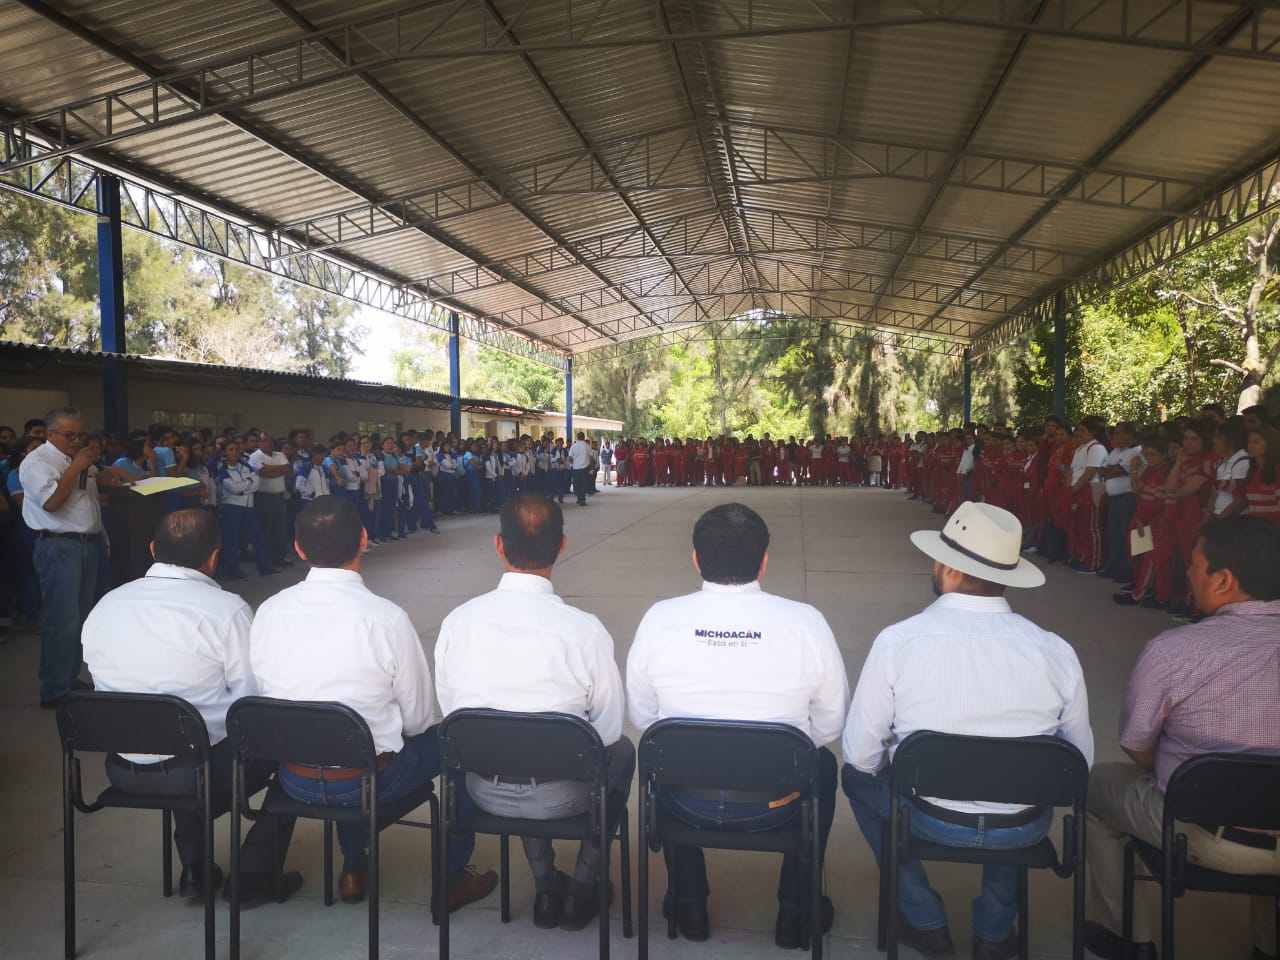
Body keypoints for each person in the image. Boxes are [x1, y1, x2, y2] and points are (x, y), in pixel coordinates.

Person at [842, 500, 1093, 960]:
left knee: (854, 777)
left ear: (948, 567)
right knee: (1022, 782)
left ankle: (923, 918)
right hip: (1020, 828)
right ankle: (994, 934)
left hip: (927, 814)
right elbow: (1078, 767)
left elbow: (860, 755)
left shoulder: (899, 640)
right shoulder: (1055, 651)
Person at [249, 496, 498, 910]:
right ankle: (453, 875)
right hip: (370, 780)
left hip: (294, 777)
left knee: (344, 737)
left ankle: (354, 867)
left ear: (298, 549)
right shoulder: (385, 619)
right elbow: (417, 720)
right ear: (364, 539)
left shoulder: (269, 612)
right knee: (458, 741)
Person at [627, 503, 849, 948]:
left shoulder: (659, 619)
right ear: (764, 560)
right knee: (822, 765)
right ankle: (795, 911)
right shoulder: (807, 624)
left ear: (696, 558)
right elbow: (830, 724)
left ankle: (689, 905)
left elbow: (643, 719)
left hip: (687, 801)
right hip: (779, 802)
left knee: (664, 756)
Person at [1083, 516, 1280, 960]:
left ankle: (1127, 938)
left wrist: (1171, 770)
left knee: (1095, 786)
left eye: (1195, 564)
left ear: (1224, 579)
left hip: (1208, 834)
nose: (1187, 572)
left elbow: (1137, 746)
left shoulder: (1175, 650)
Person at [435, 494, 634, 931]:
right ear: (562, 545)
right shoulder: (584, 631)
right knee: (621, 752)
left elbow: (453, 718)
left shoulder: (458, 623)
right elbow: (605, 729)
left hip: (483, 789)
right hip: (562, 796)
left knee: (513, 741)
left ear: (498, 545)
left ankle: (546, 886)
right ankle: (583, 887)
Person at [82, 509, 301, 903]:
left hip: (122, 771)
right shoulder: (225, 610)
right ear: (214, 557)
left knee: (180, 730)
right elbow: (252, 704)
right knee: (297, 750)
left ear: (153, 550)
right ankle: (254, 874)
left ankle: (195, 869)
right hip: (201, 774)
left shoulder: (106, 605)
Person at [19, 407, 101, 707]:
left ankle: (69, 678)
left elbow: (85, 499)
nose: (78, 440)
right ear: (51, 433)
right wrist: (76, 467)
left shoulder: (76, 461)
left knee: (79, 618)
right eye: (70, 435)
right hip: (59, 546)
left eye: (81, 434)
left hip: (86, 545)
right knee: (61, 620)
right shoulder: (37, 462)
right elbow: (52, 502)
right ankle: (54, 689)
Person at [567, 431, 592, 506]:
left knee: (577, 483)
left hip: (576, 468)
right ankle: (582, 499)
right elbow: (591, 457)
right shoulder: (587, 446)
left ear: (577, 437)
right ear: (584, 437)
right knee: (583, 484)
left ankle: (578, 498)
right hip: (585, 467)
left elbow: (570, 457)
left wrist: (573, 463)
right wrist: (591, 466)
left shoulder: (573, 446)